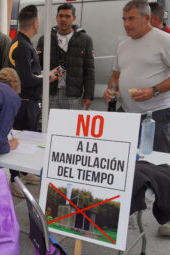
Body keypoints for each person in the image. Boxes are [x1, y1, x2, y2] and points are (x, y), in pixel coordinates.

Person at [103, 0, 170, 236]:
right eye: (124, 19)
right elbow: (115, 74)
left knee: (161, 166)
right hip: (127, 114)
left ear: (146, 17)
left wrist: (154, 90)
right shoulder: (123, 45)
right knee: (125, 164)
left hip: (157, 113)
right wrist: (111, 88)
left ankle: (167, 218)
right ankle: (127, 211)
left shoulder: (163, 40)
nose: (126, 24)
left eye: (131, 19)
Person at [8, 5, 59, 193]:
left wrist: (46, 74)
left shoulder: (23, 43)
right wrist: (47, 78)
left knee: (26, 141)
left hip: (27, 101)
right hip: (23, 102)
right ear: (36, 24)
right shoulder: (21, 45)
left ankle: (23, 173)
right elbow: (25, 79)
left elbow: (31, 74)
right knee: (19, 141)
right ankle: (14, 179)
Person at [37, 3, 95, 110]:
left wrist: (88, 95)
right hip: (50, 94)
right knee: (50, 126)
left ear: (74, 18)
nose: (63, 19)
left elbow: (89, 70)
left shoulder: (85, 40)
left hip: (73, 95)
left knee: (70, 126)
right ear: (56, 17)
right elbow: (37, 67)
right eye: (60, 15)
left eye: (67, 16)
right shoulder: (45, 39)